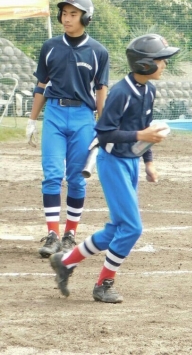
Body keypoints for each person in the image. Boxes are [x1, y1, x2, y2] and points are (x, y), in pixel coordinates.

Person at [49, 34, 179, 303]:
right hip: (113, 163)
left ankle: (66, 261)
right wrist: (140, 136)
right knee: (132, 228)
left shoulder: (149, 91)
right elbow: (105, 132)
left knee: (117, 227)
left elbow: (145, 128)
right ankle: (104, 284)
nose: (165, 64)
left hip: (130, 162)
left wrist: (148, 161)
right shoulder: (121, 92)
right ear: (144, 64)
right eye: (160, 60)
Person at [26, 0, 109, 258]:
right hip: (54, 113)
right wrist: (32, 120)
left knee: (76, 178)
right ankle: (52, 234)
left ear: (86, 18)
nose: (67, 18)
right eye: (64, 13)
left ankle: (70, 235)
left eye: (74, 14)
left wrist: (103, 127)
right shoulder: (50, 46)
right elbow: (41, 84)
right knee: (52, 175)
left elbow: (101, 90)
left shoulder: (98, 51)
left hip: (83, 117)